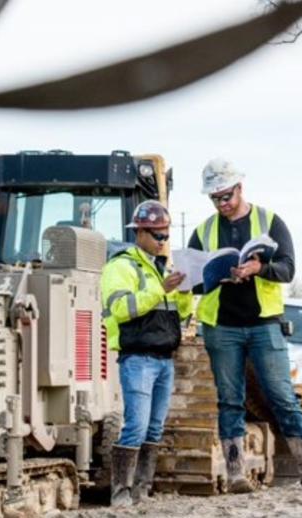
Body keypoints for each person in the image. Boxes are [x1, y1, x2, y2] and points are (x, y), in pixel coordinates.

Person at [188, 158, 302, 492]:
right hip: (222, 326)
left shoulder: (270, 221)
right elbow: (192, 281)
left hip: (265, 324)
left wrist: (258, 269)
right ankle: (235, 472)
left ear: (239, 188)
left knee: (281, 395)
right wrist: (203, 278)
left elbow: (288, 269)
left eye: (226, 196)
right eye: (215, 198)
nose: (222, 204)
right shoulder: (204, 230)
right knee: (230, 399)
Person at [101, 200, 192, 507]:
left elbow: (179, 316)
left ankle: (142, 490)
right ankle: (121, 493)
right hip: (138, 358)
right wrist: (161, 289)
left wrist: (184, 292)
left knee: (154, 427)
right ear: (139, 232)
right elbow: (121, 309)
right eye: (157, 235)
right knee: (136, 426)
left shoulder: (159, 270)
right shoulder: (121, 266)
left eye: (165, 235)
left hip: (165, 359)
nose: (163, 241)